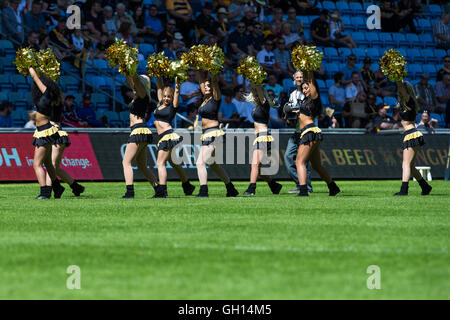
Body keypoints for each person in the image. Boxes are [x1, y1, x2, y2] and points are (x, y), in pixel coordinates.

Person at [284, 71, 340, 197]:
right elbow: (300, 114)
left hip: (309, 132)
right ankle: (333, 187)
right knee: (317, 166)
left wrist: (308, 68)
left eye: (306, 88)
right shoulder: (306, 102)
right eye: (303, 89)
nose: (304, 90)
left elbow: (311, 82)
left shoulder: (314, 97)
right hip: (310, 133)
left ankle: (303, 191)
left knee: (299, 162)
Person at [195, 71, 239, 197]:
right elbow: (200, 80)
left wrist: (212, 70)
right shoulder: (204, 99)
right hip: (206, 134)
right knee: (213, 164)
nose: (206, 87)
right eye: (205, 86)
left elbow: (214, 82)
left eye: (209, 86)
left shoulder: (216, 97)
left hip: (214, 133)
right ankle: (231, 188)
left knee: (200, 162)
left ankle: (203, 191)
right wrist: (198, 66)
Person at [154, 77, 195, 197]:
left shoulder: (172, 106)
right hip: (162, 136)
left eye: (169, 97)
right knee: (174, 163)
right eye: (165, 96)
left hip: (168, 135)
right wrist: (157, 74)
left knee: (160, 163)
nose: (166, 98)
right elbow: (159, 86)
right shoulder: (160, 103)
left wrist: (177, 81)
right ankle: (187, 185)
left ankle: (162, 191)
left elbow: (177, 91)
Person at [121, 74, 160, 198]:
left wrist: (132, 71)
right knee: (142, 166)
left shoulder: (143, 95)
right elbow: (131, 81)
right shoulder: (139, 95)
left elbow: (135, 81)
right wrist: (125, 69)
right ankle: (159, 190)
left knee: (126, 162)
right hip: (140, 130)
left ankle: (130, 191)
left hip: (139, 131)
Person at [28, 66, 64, 199]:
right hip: (44, 130)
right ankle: (57, 187)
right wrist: (42, 70)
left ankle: (45, 192)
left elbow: (36, 78)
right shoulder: (49, 95)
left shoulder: (48, 94)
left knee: (36, 164)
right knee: (48, 163)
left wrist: (31, 68)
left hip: (44, 131)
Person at [243, 85, 282, 195]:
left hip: (264, 136)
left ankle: (251, 189)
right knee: (257, 168)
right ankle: (274, 185)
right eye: (254, 94)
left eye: (257, 94)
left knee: (255, 164)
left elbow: (260, 93)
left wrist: (257, 83)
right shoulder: (256, 107)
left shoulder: (265, 105)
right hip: (258, 137)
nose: (255, 96)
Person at [394, 81, 432, 196]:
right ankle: (425, 187)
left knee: (405, 164)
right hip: (411, 134)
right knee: (410, 166)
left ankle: (404, 190)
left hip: (411, 134)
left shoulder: (409, 100)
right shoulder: (407, 102)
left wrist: (398, 77)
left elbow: (401, 88)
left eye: (402, 90)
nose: (399, 92)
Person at [44, 92, 85, 198]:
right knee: (55, 168)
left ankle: (47, 191)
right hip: (58, 133)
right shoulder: (57, 104)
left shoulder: (51, 105)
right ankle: (76, 187)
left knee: (51, 166)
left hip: (55, 134)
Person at [283, 71, 313, 193]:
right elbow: (289, 113)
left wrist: (295, 111)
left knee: (304, 161)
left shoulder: (308, 92)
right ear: (294, 80)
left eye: (301, 77)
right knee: (288, 157)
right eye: (297, 77)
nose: (299, 79)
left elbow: (310, 110)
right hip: (296, 131)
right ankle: (300, 183)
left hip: (306, 130)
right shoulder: (293, 94)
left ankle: (306, 186)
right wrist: (287, 114)